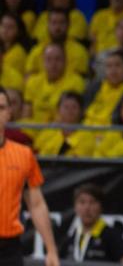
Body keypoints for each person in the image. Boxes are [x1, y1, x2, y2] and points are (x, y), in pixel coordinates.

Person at [0, 85, 60, 266]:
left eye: (1, 108)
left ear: (9, 113)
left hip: (9, 249)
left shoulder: (24, 155)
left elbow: (36, 204)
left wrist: (51, 249)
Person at [59, 184, 123, 264]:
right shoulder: (71, 237)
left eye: (92, 202)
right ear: (75, 207)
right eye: (82, 202)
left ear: (101, 207)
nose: (87, 208)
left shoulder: (111, 235)